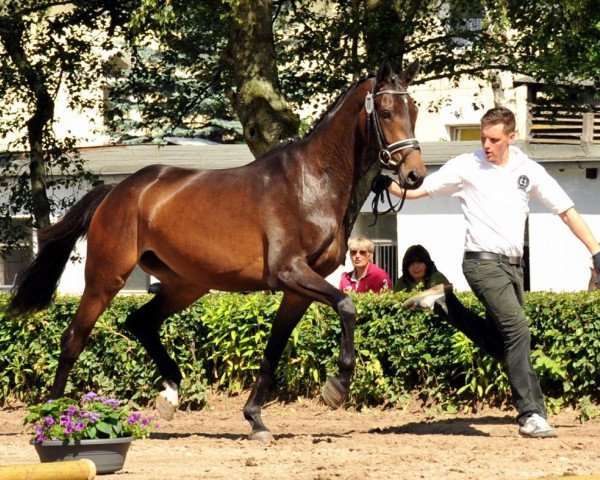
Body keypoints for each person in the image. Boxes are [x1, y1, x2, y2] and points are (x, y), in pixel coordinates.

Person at [373, 106, 600, 438]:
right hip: (481, 264)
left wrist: (595, 251)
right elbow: (421, 190)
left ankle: (444, 305)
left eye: (494, 139)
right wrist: (388, 185)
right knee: (519, 332)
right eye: (483, 138)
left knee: (505, 342)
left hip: (513, 268)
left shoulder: (529, 169)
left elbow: (566, 211)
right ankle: (531, 414)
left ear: (511, 137)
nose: (487, 145)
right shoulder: (467, 165)